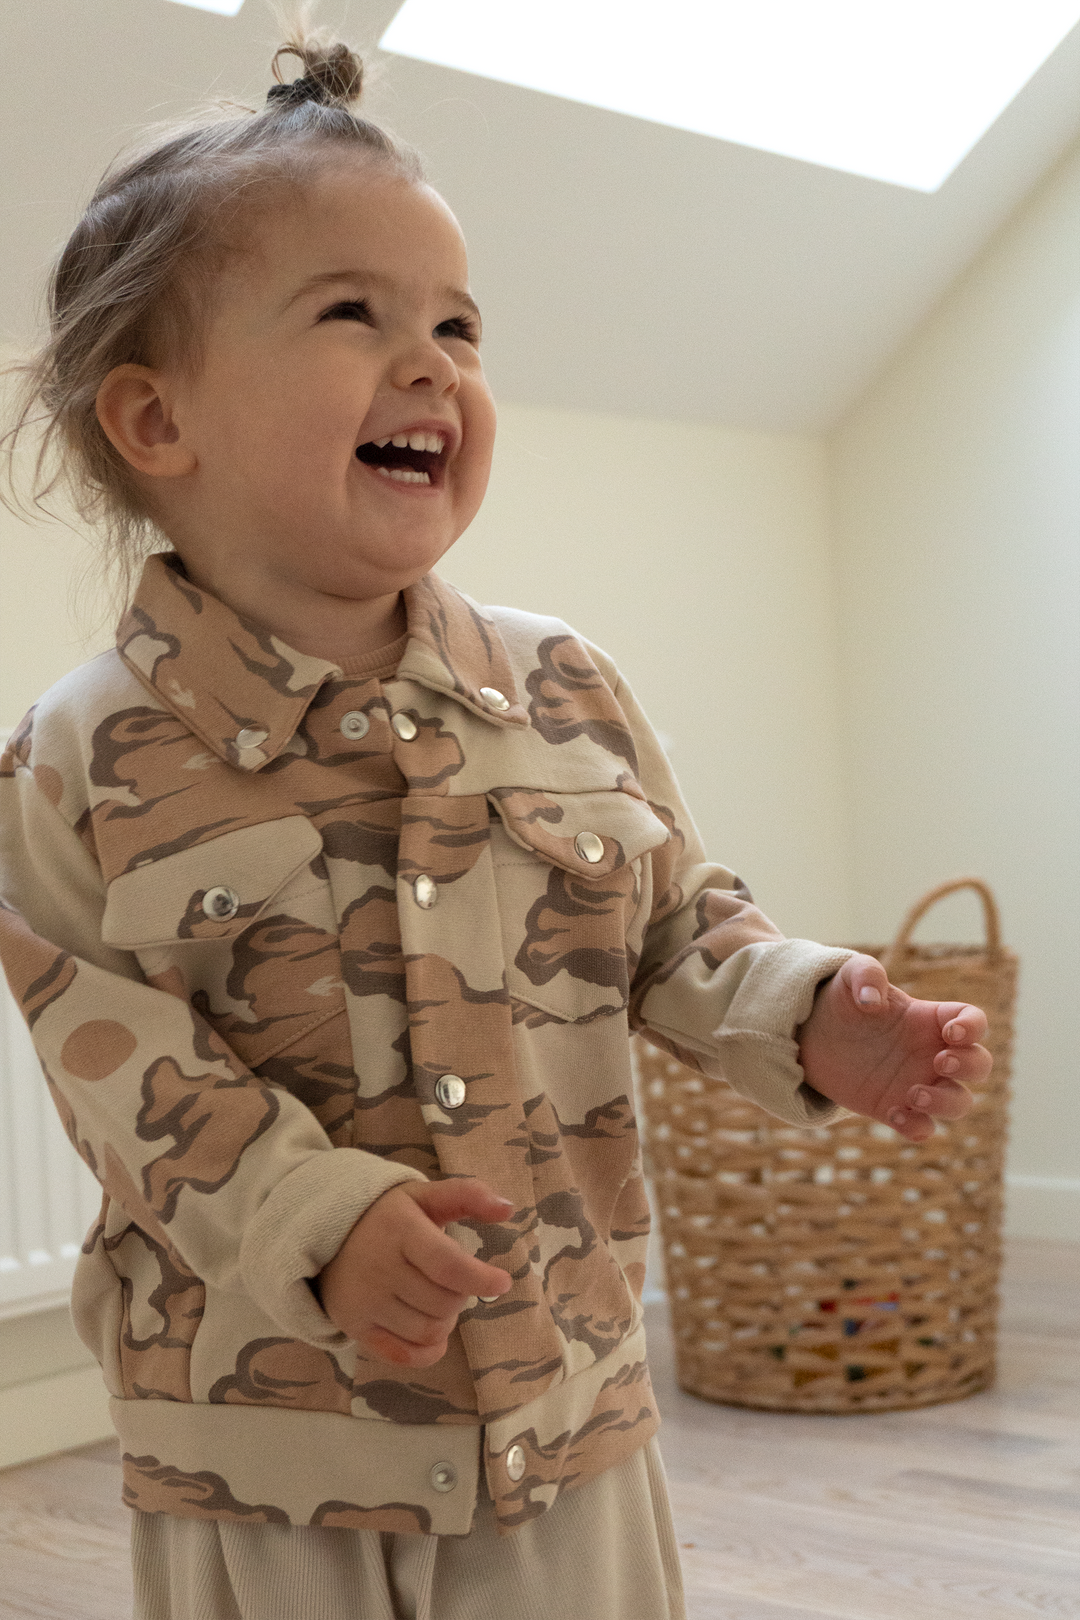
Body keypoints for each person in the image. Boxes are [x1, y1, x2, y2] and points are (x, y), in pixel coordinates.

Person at [0, 19, 991, 1620]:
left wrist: (804, 1011)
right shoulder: (80, 754)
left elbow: (675, 927)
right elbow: (125, 1074)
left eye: (458, 323)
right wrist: (323, 1221)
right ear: (155, 421)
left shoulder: (561, 685)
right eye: (352, 313)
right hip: (263, 1444)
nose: (434, 365)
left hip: (565, 1398)